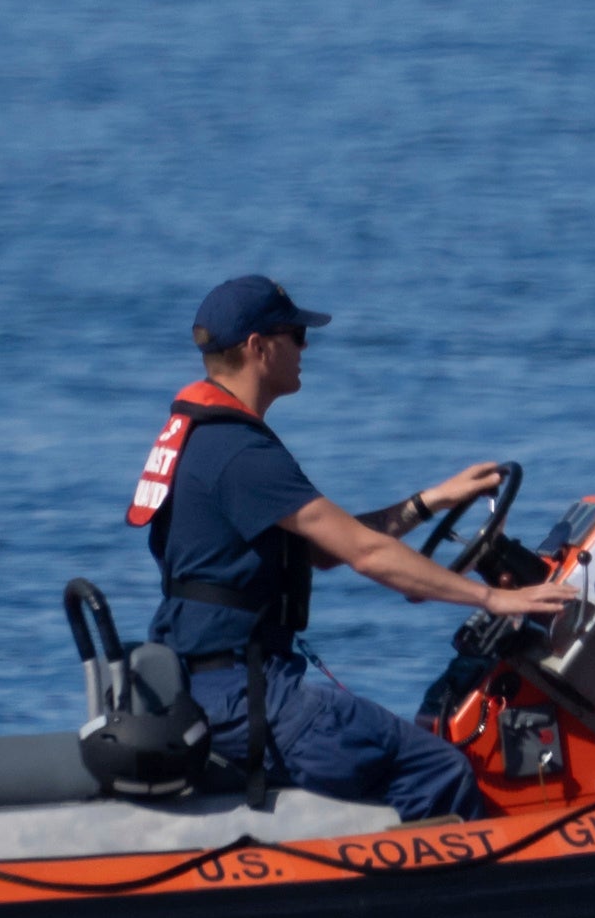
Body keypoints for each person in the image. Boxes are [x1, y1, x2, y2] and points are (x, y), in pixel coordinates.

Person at [131, 274, 571, 819]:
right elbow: (366, 554)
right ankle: (447, 897)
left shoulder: (208, 437)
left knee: (401, 743)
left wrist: (430, 501)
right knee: (439, 770)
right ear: (258, 347)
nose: (305, 347)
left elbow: (324, 548)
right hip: (247, 699)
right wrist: (495, 601)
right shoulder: (239, 453)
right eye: (295, 334)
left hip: (221, 685)